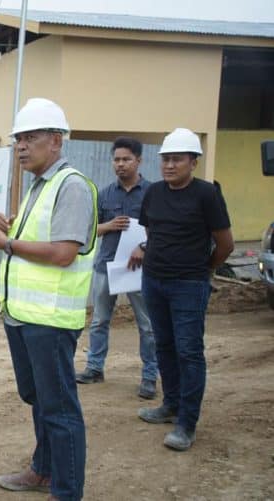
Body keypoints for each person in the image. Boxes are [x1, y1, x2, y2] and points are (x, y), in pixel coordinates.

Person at [0, 98, 97, 500]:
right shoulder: (40, 185)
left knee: (60, 409)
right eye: (18, 140)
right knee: (39, 399)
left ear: (57, 140)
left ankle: (66, 491)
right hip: (24, 316)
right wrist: (8, 226)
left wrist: (7, 243)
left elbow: (64, 253)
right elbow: (38, 238)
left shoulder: (72, 186)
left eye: (31, 138)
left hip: (49, 319)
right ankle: (44, 469)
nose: (21, 147)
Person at [132, 128, 233, 451]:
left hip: (189, 284)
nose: (169, 165)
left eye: (177, 159)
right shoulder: (154, 193)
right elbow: (152, 231)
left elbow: (225, 243)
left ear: (193, 162)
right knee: (163, 345)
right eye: (165, 159)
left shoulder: (207, 194)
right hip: (154, 281)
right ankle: (170, 404)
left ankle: (187, 423)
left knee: (189, 351)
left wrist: (204, 269)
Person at [75, 137, 157, 399]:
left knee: (147, 325)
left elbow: (163, 230)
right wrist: (108, 226)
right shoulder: (105, 193)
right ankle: (95, 368)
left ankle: (149, 377)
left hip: (140, 269)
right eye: (117, 160)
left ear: (139, 161)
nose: (120, 164)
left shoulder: (153, 193)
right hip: (106, 267)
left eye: (126, 159)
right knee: (99, 321)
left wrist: (144, 247)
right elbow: (88, 231)